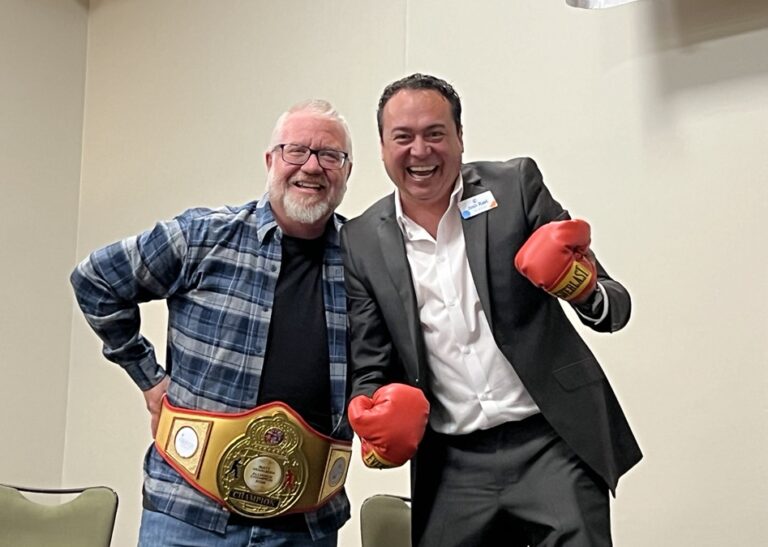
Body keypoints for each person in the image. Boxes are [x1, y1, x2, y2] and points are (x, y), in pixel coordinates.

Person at [342, 73, 642, 547]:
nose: (420, 151)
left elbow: (613, 305)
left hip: (549, 441)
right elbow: (370, 361)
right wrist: (372, 417)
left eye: (435, 133)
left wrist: (582, 289)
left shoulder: (515, 187)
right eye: (403, 137)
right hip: (452, 463)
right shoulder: (359, 240)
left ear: (460, 137)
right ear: (382, 148)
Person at [71, 99, 355, 546]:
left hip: (306, 526)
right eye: (296, 150)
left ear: (346, 171)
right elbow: (95, 280)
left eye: (330, 155)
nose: (312, 166)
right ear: (271, 161)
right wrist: (148, 379)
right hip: (189, 517)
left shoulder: (364, 262)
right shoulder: (203, 236)